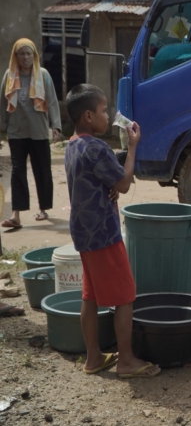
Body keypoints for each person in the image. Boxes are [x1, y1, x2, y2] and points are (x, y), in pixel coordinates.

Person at [65, 84, 160, 378]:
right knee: (125, 296)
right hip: (103, 234)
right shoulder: (97, 148)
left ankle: (93, 357)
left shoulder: (72, 145)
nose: (108, 116)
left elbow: (94, 180)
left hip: (82, 233)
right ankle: (126, 361)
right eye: (104, 110)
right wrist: (132, 147)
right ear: (89, 116)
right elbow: (124, 183)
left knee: (90, 295)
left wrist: (111, 186)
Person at [0, 39, 61, 229]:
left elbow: (52, 101)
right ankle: (16, 215)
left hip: (39, 131)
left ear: (34, 55)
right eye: (22, 54)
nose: (25, 57)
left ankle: (43, 208)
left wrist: (56, 126)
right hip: (16, 131)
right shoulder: (9, 75)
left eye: (29, 54)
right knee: (17, 172)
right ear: (16, 56)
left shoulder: (43, 75)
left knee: (42, 170)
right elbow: (2, 103)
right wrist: (1, 128)